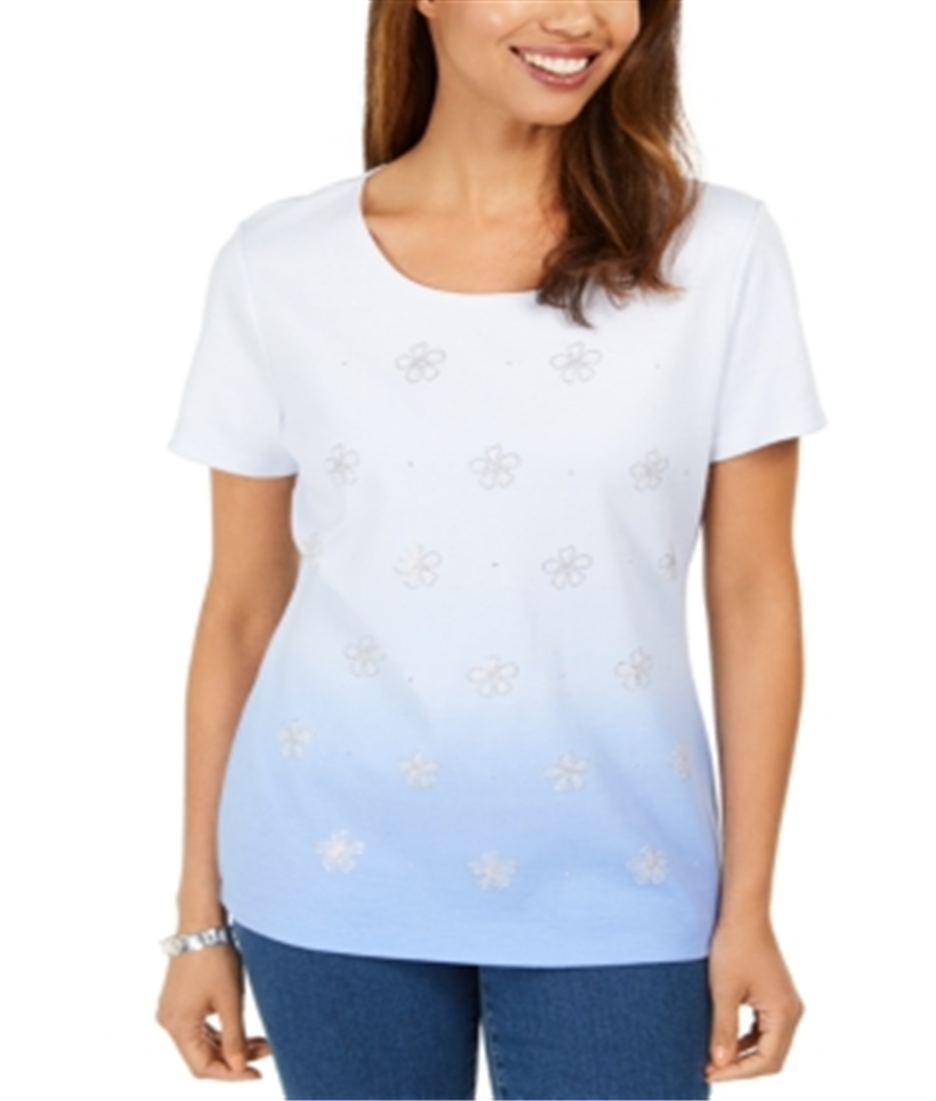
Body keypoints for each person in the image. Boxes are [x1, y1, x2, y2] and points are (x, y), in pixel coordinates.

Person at [156, 1, 825, 1097]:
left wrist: (746, 904)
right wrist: (199, 916)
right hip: (327, 872)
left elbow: (754, 594)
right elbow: (239, 607)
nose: (579, 17)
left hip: (626, 880)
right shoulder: (277, 263)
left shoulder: (719, 250)